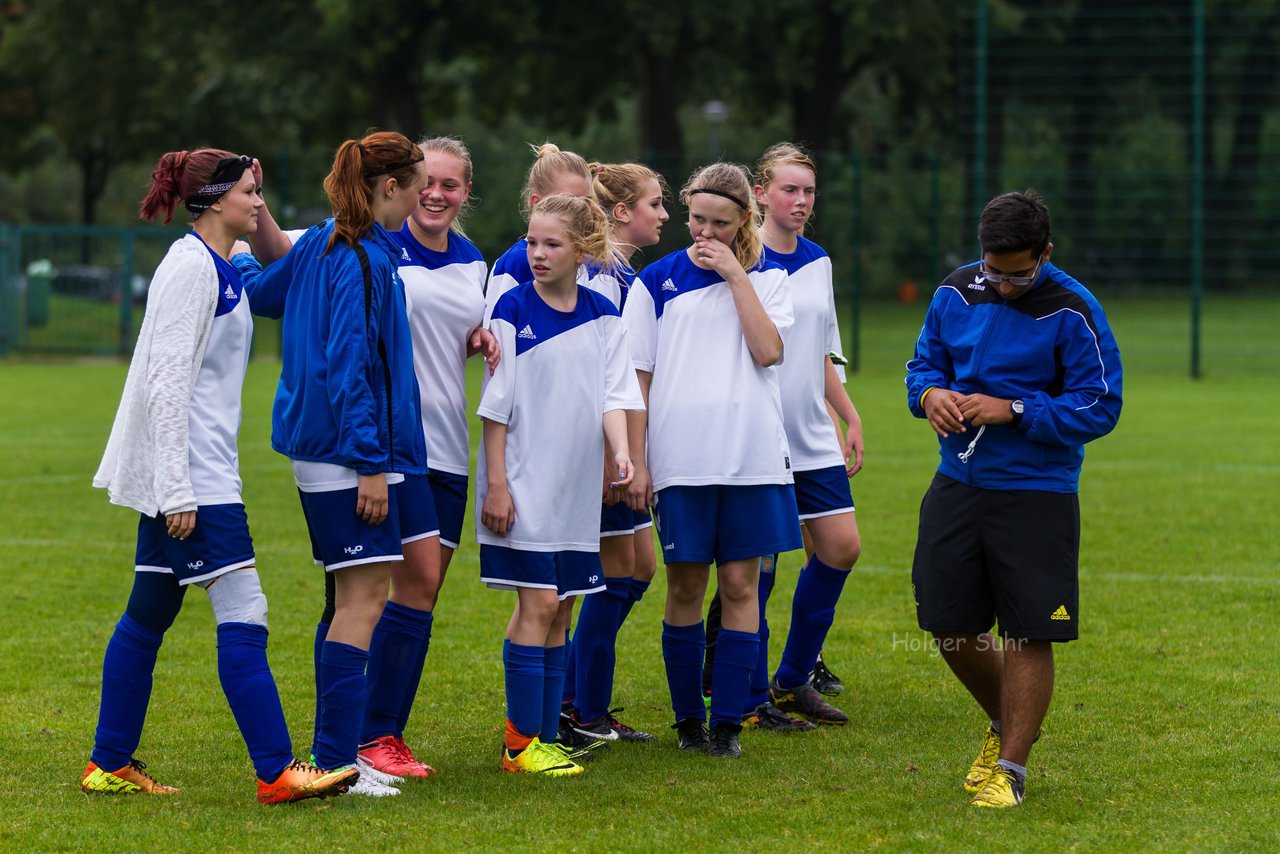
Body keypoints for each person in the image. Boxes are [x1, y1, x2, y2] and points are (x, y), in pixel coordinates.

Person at [84, 149, 357, 803]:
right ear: (211, 200)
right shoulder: (190, 271)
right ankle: (276, 772)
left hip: (199, 470)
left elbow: (281, 267)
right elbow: (166, 382)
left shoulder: (219, 265)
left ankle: (108, 761)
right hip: (196, 480)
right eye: (248, 191)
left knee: (149, 610)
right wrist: (177, 487)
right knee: (246, 610)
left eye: (258, 189)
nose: (258, 202)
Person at [905, 189, 1122, 808]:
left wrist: (1017, 409)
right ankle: (1006, 721)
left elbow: (1101, 404)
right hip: (958, 482)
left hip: (1037, 492)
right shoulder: (955, 291)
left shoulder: (1074, 309)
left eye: (1019, 273)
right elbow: (922, 365)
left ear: (1045, 254)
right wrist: (929, 397)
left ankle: (1012, 768)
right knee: (947, 622)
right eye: (993, 271)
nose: (1003, 285)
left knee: (1030, 632)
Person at [240, 131, 429, 797]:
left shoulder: (332, 240)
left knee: (352, 597)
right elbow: (351, 365)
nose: (424, 197)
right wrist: (371, 463)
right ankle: (334, 764)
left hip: (337, 450)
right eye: (417, 185)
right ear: (388, 187)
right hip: (347, 454)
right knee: (364, 598)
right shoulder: (353, 253)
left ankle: (340, 757)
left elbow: (262, 290)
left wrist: (239, 249)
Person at [622, 162, 801, 759]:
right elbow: (637, 381)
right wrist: (640, 460)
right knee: (686, 587)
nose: (704, 233)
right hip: (681, 462)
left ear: (745, 219)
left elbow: (769, 350)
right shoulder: (656, 282)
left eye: (719, 224)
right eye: (696, 219)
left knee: (741, 584)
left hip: (751, 459)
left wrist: (735, 277)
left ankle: (728, 722)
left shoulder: (770, 277)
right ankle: (687, 721)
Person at [346, 136, 500, 780]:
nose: (437, 194)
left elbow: (457, 336)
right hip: (394, 446)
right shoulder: (375, 244)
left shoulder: (474, 262)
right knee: (408, 584)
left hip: (449, 447)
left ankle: (371, 732)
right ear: (407, 186)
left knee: (417, 593)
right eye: (428, 182)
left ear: (467, 193)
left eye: (452, 185)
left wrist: (479, 335)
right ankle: (370, 734)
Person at [477, 193, 643, 776]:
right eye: (531, 241)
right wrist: (497, 485)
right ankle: (520, 747)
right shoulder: (511, 310)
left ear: (583, 250)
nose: (538, 253)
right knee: (540, 603)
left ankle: (545, 738)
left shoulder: (604, 315)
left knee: (562, 607)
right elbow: (494, 414)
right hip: (523, 486)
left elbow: (615, 397)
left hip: (576, 493)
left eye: (552, 244)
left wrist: (621, 454)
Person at [750, 143, 864, 729]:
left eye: (808, 191)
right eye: (789, 189)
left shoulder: (817, 260)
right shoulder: (742, 259)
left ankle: (793, 677)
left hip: (813, 431)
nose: (800, 201)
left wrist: (848, 413)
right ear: (761, 192)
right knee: (757, 570)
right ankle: (745, 693)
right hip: (761, 435)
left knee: (841, 547)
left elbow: (820, 349)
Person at [561, 163, 669, 745]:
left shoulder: (626, 273)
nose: (663, 214)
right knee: (614, 573)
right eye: (655, 202)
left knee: (639, 567)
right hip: (607, 448)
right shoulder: (602, 276)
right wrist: (618, 456)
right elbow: (606, 374)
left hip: (622, 444)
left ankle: (578, 699)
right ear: (622, 212)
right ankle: (581, 708)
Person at [484, 142, 593, 319]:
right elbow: (497, 335)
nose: (579, 211)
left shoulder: (584, 258)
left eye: (586, 202)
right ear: (537, 202)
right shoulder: (517, 261)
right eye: (567, 201)